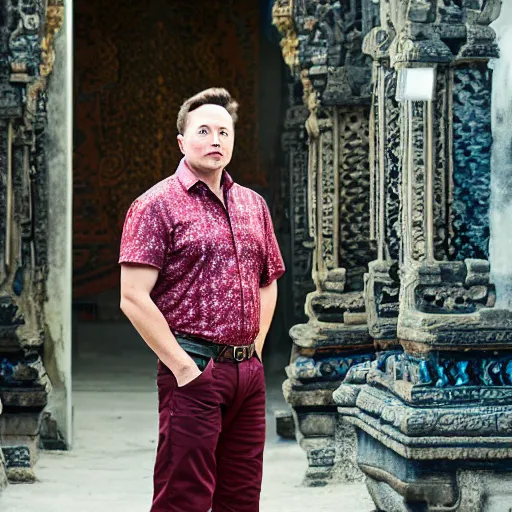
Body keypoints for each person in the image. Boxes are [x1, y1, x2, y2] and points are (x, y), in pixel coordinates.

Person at [119, 87, 285, 512]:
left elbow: (268, 281)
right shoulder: (155, 205)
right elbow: (133, 297)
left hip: (247, 373)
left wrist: (257, 352)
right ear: (182, 141)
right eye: (204, 131)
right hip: (192, 367)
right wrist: (184, 369)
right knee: (184, 496)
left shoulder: (253, 205)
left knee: (242, 496)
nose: (216, 140)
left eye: (224, 132)